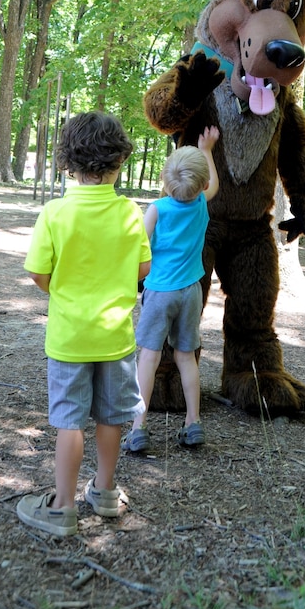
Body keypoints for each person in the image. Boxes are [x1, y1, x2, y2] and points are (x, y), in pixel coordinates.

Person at [17, 111, 152, 537]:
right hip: (116, 338)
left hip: (69, 338)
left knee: (69, 422)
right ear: (119, 162)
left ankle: (61, 507)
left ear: (67, 162)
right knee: (111, 418)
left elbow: (39, 274)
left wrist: (65, 292)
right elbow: (143, 268)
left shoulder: (55, 213)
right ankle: (106, 492)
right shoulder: (130, 212)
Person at [121, 126, 220, 453]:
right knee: (185, 356)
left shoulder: (157, 209)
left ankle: (138, 427)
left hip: (160, 292)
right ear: (202, 185)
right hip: (191, 292)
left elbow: (140, 247)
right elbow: (214, 184)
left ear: (164, 179)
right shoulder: (202, 204)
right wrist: (207, 149)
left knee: (148, 357)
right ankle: (193, 423)